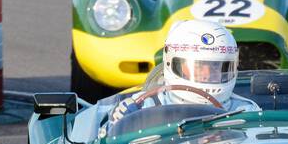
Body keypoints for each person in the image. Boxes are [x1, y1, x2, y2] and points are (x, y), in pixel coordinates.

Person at [108, 20, 258, 125]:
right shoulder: (141, 107)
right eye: (198, 67)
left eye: (215, 67)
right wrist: (120, 124)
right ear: (170, 63)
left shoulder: (247, 111)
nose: (206, 73)